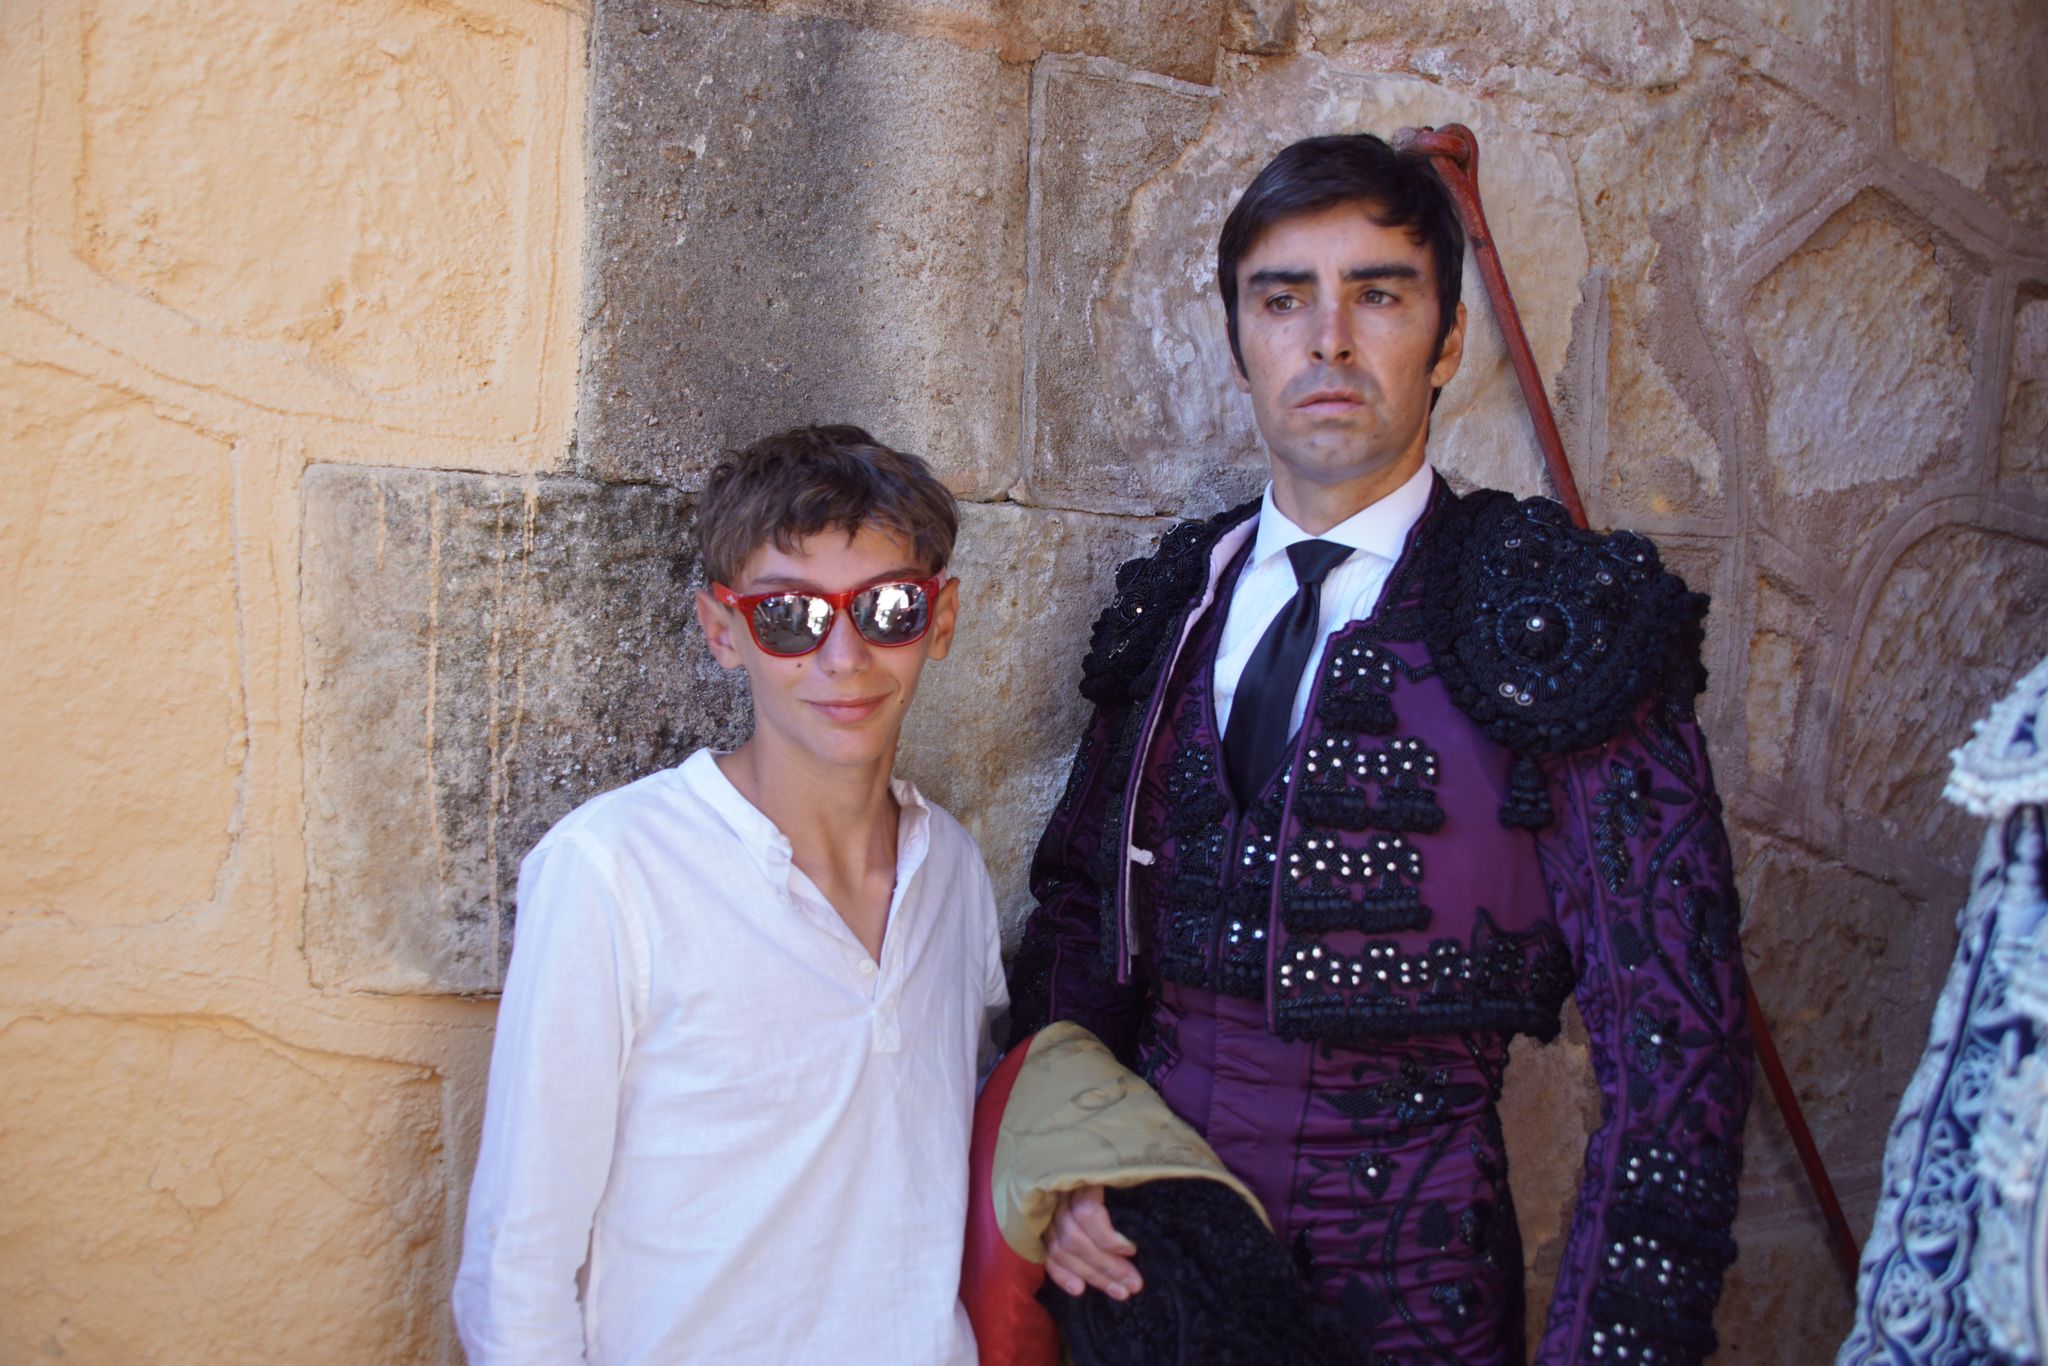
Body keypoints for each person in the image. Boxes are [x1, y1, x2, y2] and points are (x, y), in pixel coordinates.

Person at [1007, 133, 1754, 1364]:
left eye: (1379, 294)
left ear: (1446, 341)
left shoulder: (1552, 614)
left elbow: (1675, 1051)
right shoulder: (1170, 605)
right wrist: (1066, 1161)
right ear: (1239, 340)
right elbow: (1080, 925)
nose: (1328, 340)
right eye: (1282, 298)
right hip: (1153, 1279)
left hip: (1418, 1297)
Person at [454, 425, 1007, 1365]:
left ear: (940, 620)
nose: (843, 657)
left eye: (888, 609)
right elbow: (519, 1267)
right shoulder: (613, 869)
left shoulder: (951, 871)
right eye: (790, 616)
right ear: (723, 630)